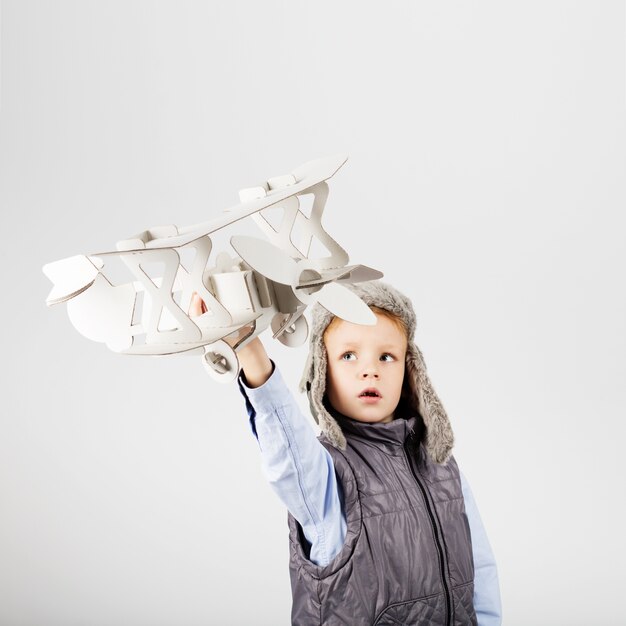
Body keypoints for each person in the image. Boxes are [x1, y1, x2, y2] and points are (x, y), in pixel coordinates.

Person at [191, 280, 502, 625]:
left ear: (409, 370)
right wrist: (248, 349)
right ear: (323, 370)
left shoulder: (440, 464)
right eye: (348, 355)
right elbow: (287, 449)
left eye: (386, 356)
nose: (369, 369)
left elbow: (481, 569)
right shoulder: (325, 473)